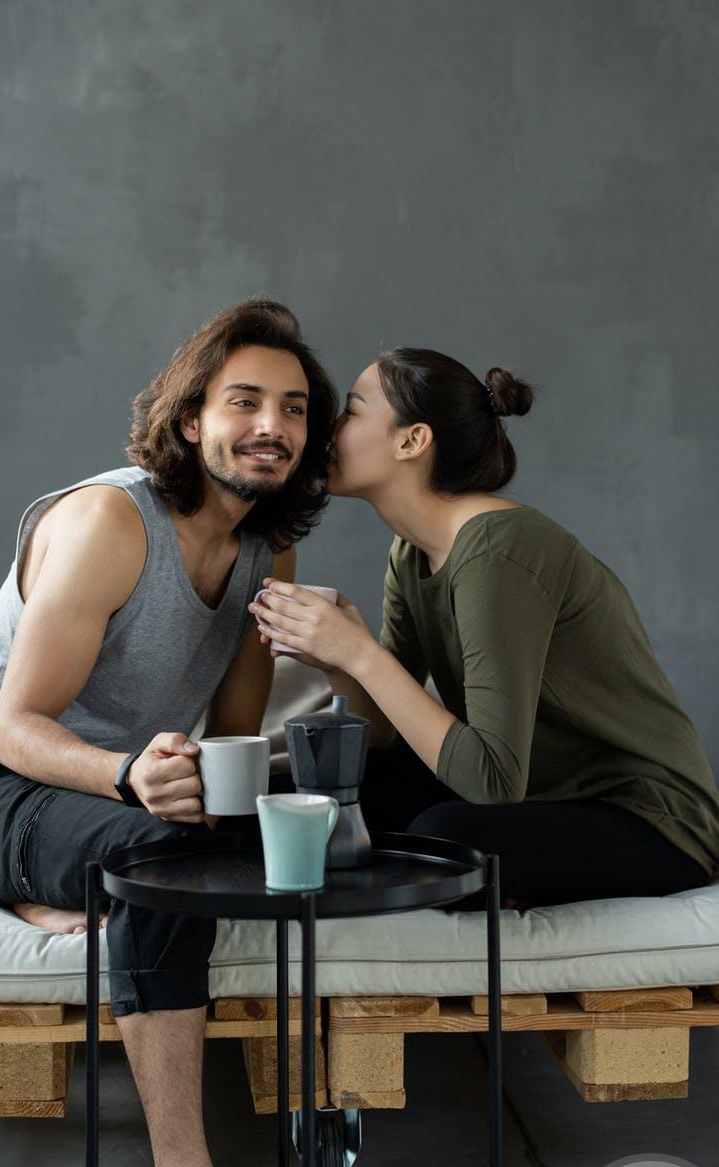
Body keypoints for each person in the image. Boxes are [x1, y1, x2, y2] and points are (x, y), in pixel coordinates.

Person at [0, 298, 338, 1167]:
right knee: (158, 859)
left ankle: (81, 889)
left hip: (119, 801)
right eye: (243, 401)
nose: (270, 426)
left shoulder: (265, 549)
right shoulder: (110, 519)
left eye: (293, 408)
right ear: (192, 418)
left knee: (296, 825)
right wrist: (124, 778)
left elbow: (231, 738)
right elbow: (17, 728)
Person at [251, 347, 719, 909]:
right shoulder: (411, 552)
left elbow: (493, 780)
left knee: (446, 841)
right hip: (539, 797)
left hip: (648, 818)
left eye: (353, 410)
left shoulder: (498, 551)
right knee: (298, 800)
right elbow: (387, 737)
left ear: (411, 441)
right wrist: (336, 658)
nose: (331, 428)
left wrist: (360, 654)